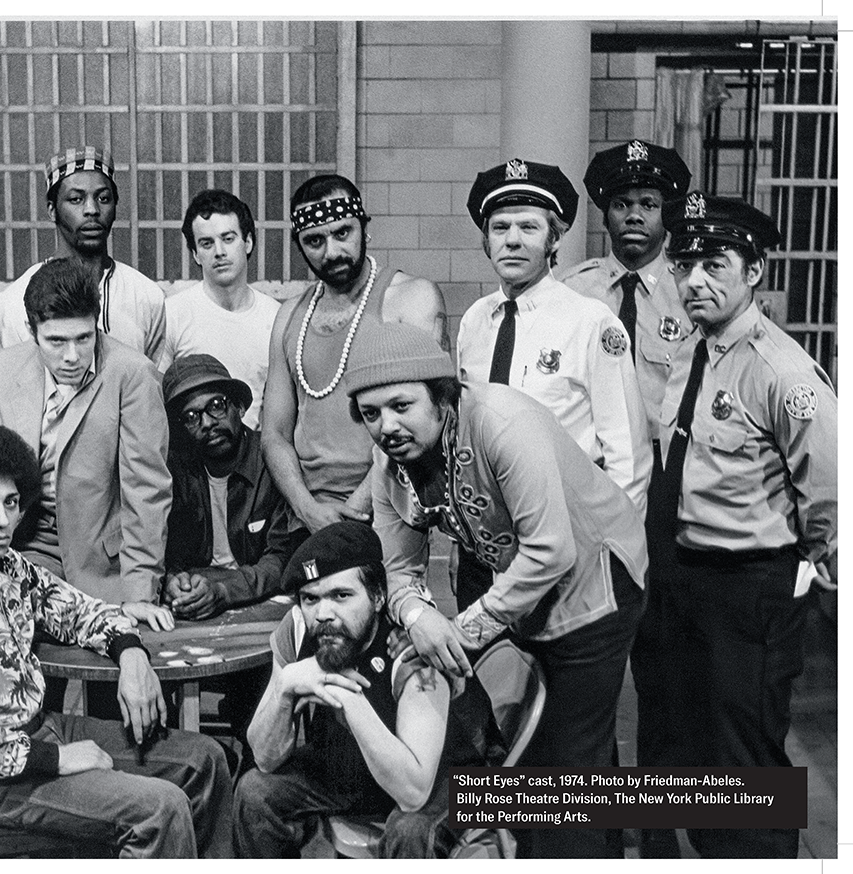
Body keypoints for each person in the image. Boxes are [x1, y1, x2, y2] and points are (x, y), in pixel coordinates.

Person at [346, 322, 647, 859]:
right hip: (521, 586)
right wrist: (419, 619)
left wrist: (458, 631)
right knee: (541, 757)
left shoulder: (503, 423)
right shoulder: (388, 464)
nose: (387, 426)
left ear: (442, 396)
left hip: (596, 581)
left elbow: (552, 551)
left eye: (401, 406)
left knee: (566, 771)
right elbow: (399, 569)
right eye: (371, 414)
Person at [0, 421, 232, 858]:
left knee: (205, 760)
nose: (2, 520)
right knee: (159, 809)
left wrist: (130, 656)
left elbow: (84, 611)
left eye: (11, 503)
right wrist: (58, 759)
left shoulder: (10, 565)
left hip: (44, 732)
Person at [657, 192, 837, 859]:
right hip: (690, 576)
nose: (694, 279)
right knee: (703, 740)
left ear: (755, 269)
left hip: (753, 586)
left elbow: (831, 493)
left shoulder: (780, 369)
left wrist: (821, 592)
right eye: (684, 264)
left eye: (714, 262)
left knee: (749, 749)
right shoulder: (692, 349)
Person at [558, 140, 692, 859]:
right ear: (603, 211)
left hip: (672, 511)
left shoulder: (692, 286)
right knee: (593, 676)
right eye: (621, 203)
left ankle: (663, 827)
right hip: (591, 508)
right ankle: (603, 827)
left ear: (666, 208)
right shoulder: (576, 292)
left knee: (662, 677)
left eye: (648, 203)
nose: (634, 216)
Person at [233, 522, 502, 858]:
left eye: (341, 596)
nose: (324, 614)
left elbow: (413, 793)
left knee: (410, 828)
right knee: (256, 791)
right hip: (359, 767)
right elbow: (265, 757)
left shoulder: (409, 648)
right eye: (310, 599)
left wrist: (347, 697)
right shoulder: (299, 628)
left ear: (378, 597)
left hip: (457, 777)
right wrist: (285, 686)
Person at [456, 158, 650, 611]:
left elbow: (628, 455)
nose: (513, 240)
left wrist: (612, 555)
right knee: (485, 676)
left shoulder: (590, 323)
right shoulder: (475, 322)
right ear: (485, 241)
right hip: (485, 545)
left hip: (564, 542)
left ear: (554, 237)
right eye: (500, 227)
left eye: (529, 227)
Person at [0, 256, 173, 632]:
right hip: (27, 543)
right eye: (56, 341)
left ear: (96, 325)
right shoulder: (1, 370)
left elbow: (146, 490)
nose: (71, 355)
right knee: (27, 674)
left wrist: (139, 591)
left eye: (83, 338)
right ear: (31, 329)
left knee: (116, 668)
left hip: (107, 557)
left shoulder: (132, 373)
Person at [262, 174, 448, 535]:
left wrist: (354, 512)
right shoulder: (289, 316)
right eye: (314, 241)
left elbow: (427, 418)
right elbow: (274, 433)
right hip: (303, 512)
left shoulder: (410, 298)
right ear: (299, 246)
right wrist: (307, 509)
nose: (331, 252)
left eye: (342, 233)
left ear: (364, 228)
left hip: (384, 504)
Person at [0, 145, 166, 362]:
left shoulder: (146, 297)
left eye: (103, 198)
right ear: (52, 210)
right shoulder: (13, 301)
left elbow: (153, 385)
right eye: (76, 199)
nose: (92, 209)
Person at [163, 354, 301, 620]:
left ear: (239, 407)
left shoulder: (273, 462)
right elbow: (167, 552)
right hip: (196, 604)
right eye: (191, 416)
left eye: (217, 405)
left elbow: (283, 558)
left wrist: (225, 591)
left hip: (264, 603)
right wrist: (172, 582)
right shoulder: (175, 472)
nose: (207, 423)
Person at [162, 189, 280, 428]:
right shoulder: (172, 314)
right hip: (191, 457)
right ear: (195, 254)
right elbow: (157, 403)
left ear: (247, 242)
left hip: (256, 456)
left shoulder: (275, 317)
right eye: (207, 243)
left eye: (228, 239)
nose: (219, 252)